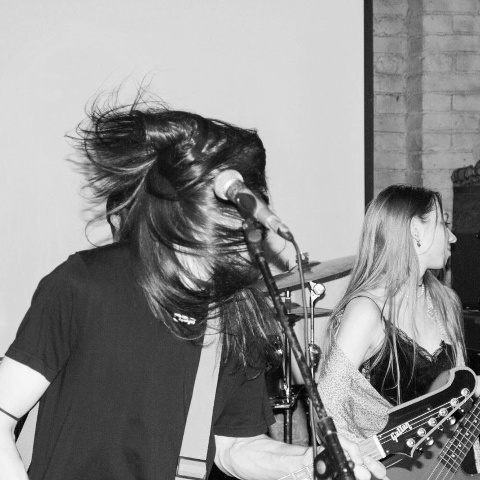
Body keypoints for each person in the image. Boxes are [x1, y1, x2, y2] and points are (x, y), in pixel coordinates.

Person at [0, 95, 387, 480]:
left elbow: (235, 446)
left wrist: (305, 462)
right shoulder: (85, 284)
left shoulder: (236, 311)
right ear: (180, 218)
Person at [318, 184, 479, 469]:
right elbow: (327, 408)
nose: (452, 237)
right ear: (416, 231)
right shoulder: (367, 311)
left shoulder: (446, 303)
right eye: (443, 224)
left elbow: (459, 406)